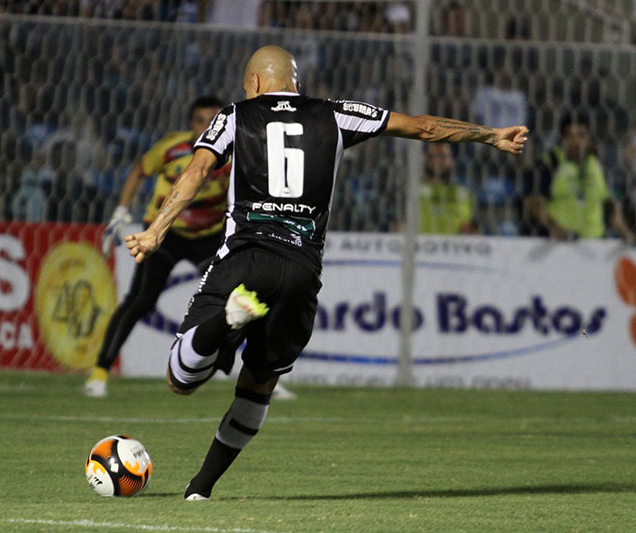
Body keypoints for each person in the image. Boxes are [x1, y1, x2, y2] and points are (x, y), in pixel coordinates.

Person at [124, 45, 528, 500]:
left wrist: (156, 230)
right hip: (301, 269)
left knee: (180, 380)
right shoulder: (336, 114)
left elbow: (197, 169)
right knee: (259, 385)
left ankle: (226, 321)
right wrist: (491, 135)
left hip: (246, 256)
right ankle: (201, 488)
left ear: (254, 83)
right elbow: (425, 127)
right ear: (295, 82)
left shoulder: (235, 115)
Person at [85, 96, 298, 399]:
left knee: (240, 299)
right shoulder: (171, 148)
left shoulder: (234, 152)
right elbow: (139, 171)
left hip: (209, 237)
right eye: (200, 120)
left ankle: (256, 373)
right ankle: (99, 372)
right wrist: (120, 213)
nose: (207, 126)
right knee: (141, 300)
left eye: (213, 120)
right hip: (166, 233)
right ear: (190, 123)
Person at [522, 112, 633, 242]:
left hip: (595, 242)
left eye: (581, 135)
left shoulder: (595, 163)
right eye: (570, 136)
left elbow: (607, 199)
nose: (576, 141)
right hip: (559, 243)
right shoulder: (550, 163)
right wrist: (555, 228)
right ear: (562, 139)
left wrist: (623, 229)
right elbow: (534, 203)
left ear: (589, 139)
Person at [418, 143, 477, 235]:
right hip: (420, 242)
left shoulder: (463, 194)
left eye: (444, 156)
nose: (439, 161)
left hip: (454, 243)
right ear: (426, 160)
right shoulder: (415, 191)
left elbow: (470, 227)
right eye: (434, 156)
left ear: (452, 160)